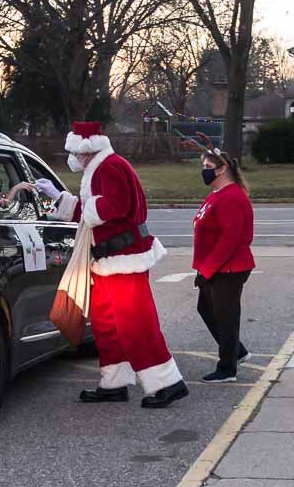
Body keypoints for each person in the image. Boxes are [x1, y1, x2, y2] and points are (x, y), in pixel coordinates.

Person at [36, 121, 188, 408]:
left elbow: (115, 206)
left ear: (87, 149)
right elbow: (92, 208)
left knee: (136, 324)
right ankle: (114, 383)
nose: (73, 158)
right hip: (109, 259)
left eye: (75, 152)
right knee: (107, 323)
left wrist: (82, 206)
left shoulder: (110, 167)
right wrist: (59, 199)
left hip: (123, 259)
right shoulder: (103, 167)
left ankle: (168, 382)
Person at [185, 134, 255, 383]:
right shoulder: (217, 193)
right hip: (213, 266)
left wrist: (208, 270)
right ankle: (238, 351)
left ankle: (227, 368)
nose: (204, 172)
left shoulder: (232, 197)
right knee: (206, 308)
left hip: (229, 267)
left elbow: (230, 239)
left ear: (223, 168)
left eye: (208, 167)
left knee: (226, 316)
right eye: (203, 167)